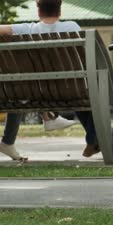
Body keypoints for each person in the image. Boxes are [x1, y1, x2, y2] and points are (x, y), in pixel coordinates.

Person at [0, 0, 100, 160]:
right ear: (60, 11)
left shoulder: (27, 29)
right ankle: (93, 140)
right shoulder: (72, 27)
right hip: (70, 91)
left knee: (20, 88)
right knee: (85, 94)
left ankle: (49, 118)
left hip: (35, 94)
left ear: (38, 11)